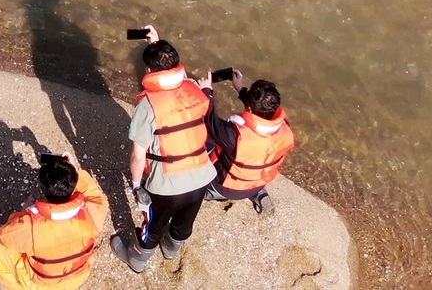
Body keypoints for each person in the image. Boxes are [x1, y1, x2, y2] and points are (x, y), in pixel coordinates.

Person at [111, 25, 217, 272]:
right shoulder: (196, 91)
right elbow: (179, 82)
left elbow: (138, 156)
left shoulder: (148, 106)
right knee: (184, 222)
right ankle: (171, 248)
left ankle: (137, 259)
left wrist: (137, 187)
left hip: (167, 187)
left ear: (148, 71)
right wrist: (155, 45)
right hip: (202, 177)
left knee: (153, 225)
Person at [0, 151, 108, 289]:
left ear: (43, 189)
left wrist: (22, 214)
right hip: (78, 277)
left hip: (44, 284)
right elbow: (96, 197)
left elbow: (6, 235)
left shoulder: (31, 226)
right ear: (73, 183)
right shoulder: (92, 212)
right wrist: (76, 170)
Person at [196, 69, 296, 215]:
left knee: (204, 144)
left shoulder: (234, 134)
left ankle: (205, 193)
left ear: (249, 106)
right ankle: (259, 193)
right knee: (256, 162)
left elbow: (209, 119)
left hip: (225, 188)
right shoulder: (285, 128)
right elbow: (258, 116)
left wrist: (207, 91)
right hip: (257, 182)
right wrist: (241, 90)